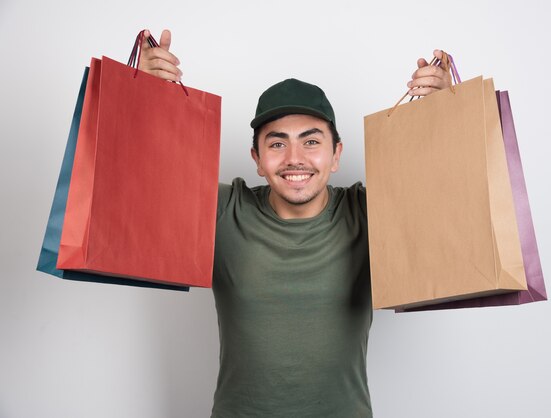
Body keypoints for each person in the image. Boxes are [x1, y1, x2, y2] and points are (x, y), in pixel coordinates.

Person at [139, 29, 452, 418]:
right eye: (276, 143)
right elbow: (144, 180)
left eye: (311, 141)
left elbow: (446, 200)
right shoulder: (224, 209)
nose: (294, 158)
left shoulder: (368, 212)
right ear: (256, 157)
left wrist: (442, 114)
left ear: (336, 154)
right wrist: (146, 97)